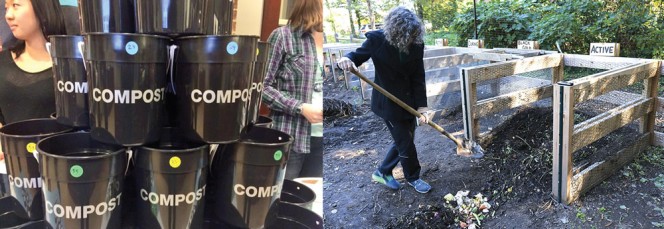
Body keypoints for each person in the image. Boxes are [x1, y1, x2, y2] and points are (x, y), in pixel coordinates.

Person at [337, 7, 433, 193]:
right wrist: (346, 59)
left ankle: (382, 172)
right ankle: (413, 177)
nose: (411, 38)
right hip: (388, 104)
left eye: (414, 34)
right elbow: (356, 56)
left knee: (405, 139)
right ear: (396, 30)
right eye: (408, 34)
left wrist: (422, 107)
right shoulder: (377, 40)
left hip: (409, 102)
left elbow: (418, 77)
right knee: (405, 143)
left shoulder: (417, 44)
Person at [262, 0, 324, 179]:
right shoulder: (283, 36)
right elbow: (261, 86)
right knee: (283, 196)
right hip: (291, 134)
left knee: (311, 199)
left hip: (322, 137)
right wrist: (300, 107)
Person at [0, 0, 66, 161]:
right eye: (6, 8)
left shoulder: (73, 67)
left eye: (16, 6)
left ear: (42, 8)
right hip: (11, 170)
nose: (8, 16)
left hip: (58, 168)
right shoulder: (2, 62)